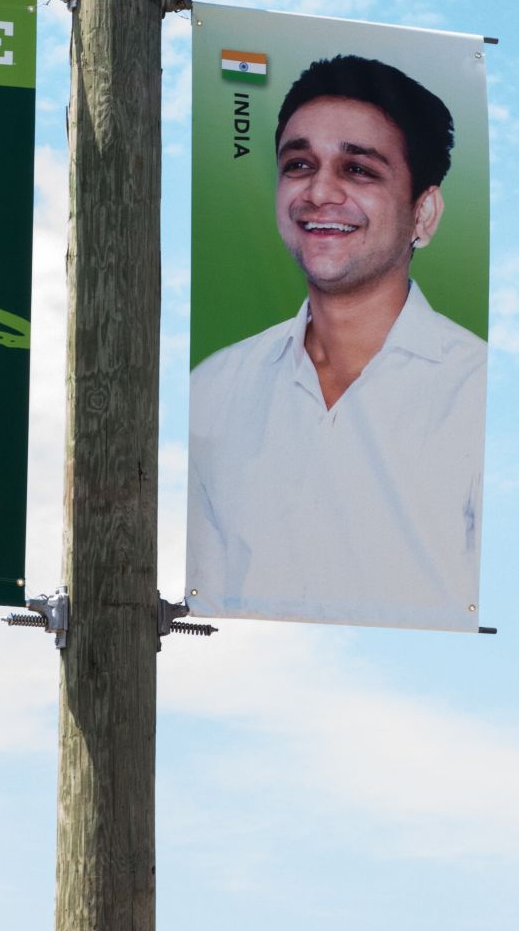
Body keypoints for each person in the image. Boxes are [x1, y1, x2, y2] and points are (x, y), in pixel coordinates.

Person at [187, 55, 487, 631]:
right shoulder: (218, 386)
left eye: (359, 170)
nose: (320, 192)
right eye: (299, 164)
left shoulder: (480, 393)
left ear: (423, 212)